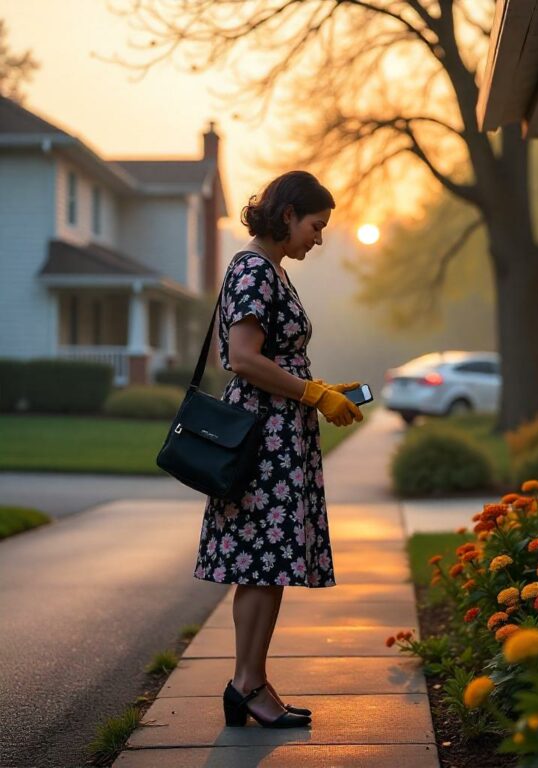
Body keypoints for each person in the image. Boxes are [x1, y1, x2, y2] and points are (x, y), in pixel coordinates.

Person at [193, 170, 363, 729]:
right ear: (288, 214)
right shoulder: (253, 270)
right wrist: (311, 393)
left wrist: (319, 389)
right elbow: (241, 358)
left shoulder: (270, 271)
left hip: (277, 432)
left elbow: (273, 358)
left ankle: (251, 681)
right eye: (316, 226)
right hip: (262, 438)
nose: (319, 238)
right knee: (263, 564)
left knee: (270, 565)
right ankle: (246, 683)